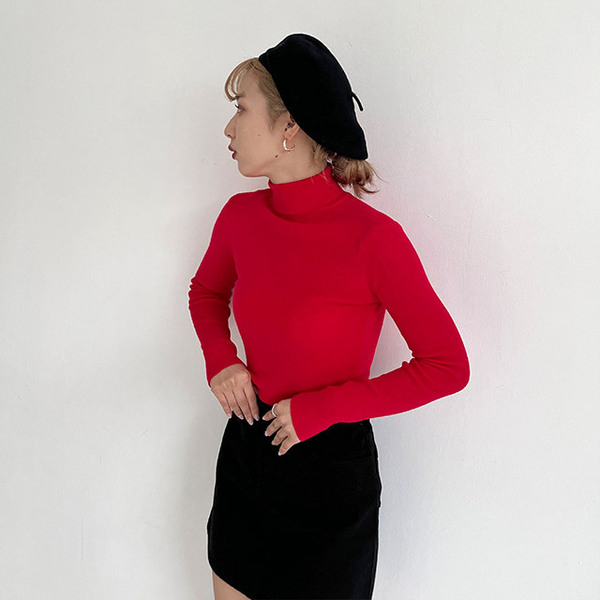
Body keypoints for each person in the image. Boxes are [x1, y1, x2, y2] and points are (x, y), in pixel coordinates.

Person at [188, 33, 470, 600]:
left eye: (241, 109)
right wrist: (221, 360)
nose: (229, 128)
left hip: (332, 475)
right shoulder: (240, 217)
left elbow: (447, 366)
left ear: (289, 125)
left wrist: (324, 408)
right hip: (247, 453)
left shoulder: (374, 240)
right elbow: (207, 292)